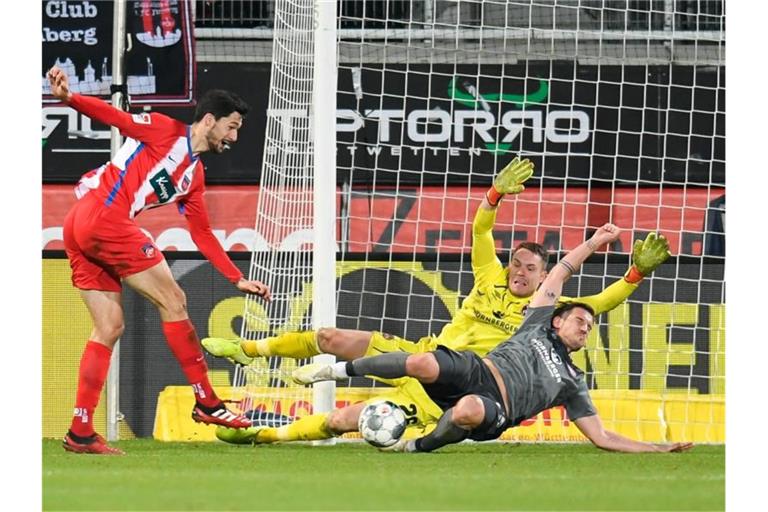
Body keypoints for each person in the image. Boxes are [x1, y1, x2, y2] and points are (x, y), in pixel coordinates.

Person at [205, 157, 670, 446]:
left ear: (545, 276)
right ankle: (249, 349)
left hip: (448, 390)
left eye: (531, 269)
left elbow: (603, 301)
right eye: (517, 264)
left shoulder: (547, 310)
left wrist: (637, 271)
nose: (520, 272)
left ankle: (262, 436)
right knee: (331, 335)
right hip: (427, 354)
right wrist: (494, 195)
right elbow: (481, 229)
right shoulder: (489, 273)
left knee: (345, 419)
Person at [294, 224, 693, 454]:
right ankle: (333, 370)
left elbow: (602, 437)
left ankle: (417, 447)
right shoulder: (536, 321)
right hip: (476, 368)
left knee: (466, 411)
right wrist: (594, 243)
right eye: (580, 319)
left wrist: (657, 448)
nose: (586, 325)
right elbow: (560, 274)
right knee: (423, 361)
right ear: (558, 321)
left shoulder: (572, 382)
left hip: (494, 404)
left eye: (590, 327)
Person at [47, 66, 272, 455]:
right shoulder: (164, 130)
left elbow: (202, 233)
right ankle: (207, 402)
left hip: (84, 226)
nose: (234, 137)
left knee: (110, 326)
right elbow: (115, 117)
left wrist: (236, 278)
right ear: (208, 121)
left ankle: (80, 430)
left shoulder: (193, 177)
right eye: (231, 127)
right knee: (175, 301)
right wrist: (69, 100)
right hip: (105, 218)